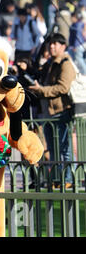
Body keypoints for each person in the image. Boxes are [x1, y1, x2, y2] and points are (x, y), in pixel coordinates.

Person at [28, 33, 76, 188]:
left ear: (63, 46)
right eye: (50, 44)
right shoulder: (49, 63)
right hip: (48, 112)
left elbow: (63, 87)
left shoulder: (66, 63)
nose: (52, 46)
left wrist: (41, 90)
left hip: (61, 111)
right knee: (53, 148)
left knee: (64, 148)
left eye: (56, 44)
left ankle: (68, 179)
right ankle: (57, 178)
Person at [68, 9, 86, 75]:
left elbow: (77, 36)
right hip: (80, 45)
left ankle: (84, 73)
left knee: (79, 60)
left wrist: (75, 46)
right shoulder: (80, 24)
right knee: (81, 60)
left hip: (78, 45)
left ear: (74, 17)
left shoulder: (77, 25)